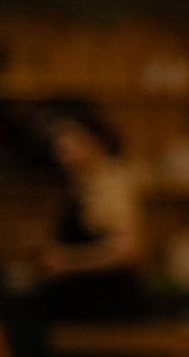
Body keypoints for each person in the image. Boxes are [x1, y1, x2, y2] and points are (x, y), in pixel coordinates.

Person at [33, 103, 145, 322]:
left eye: (70, 142)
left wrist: (68, 261)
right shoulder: (82, 184)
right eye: (59, 146)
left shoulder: (110, 184)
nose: (62, 153)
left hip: (105, 310)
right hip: (81, 306)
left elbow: (129, 249)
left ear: (95, 141)